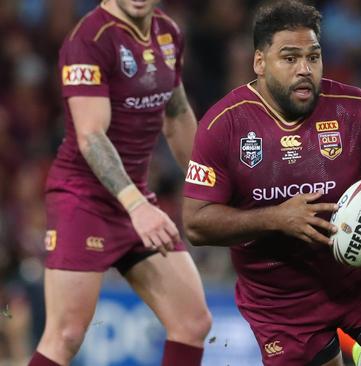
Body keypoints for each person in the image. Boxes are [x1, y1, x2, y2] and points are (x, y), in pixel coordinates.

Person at [182, 0, 361, 365]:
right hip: (282, 305)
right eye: (290, 58)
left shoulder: (357, 110)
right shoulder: (222, 127)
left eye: (313, 57)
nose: (305, 69)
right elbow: (196, 222)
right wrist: (276, 218)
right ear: (260, 62)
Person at [28, 1, 212, 365]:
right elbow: (91, 136)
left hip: (134, 201)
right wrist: (137, 206)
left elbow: (176, 116)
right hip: (82, 200)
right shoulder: (89, 40)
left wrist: (211, 184)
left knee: (192, 322)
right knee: (65, 336)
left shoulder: (168, 33)